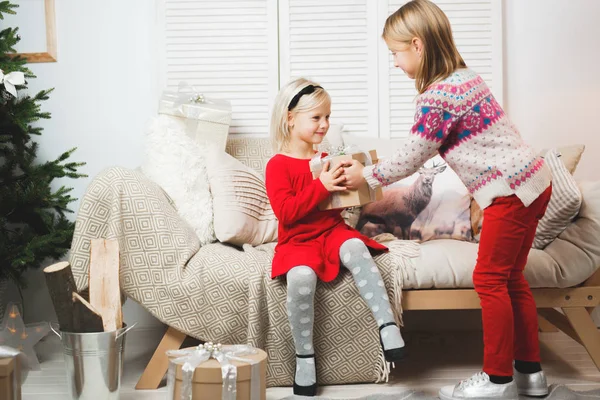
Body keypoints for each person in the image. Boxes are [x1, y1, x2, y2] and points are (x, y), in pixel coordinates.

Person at [342, 1, 552, 399]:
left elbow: (413, 155)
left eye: (396, 52)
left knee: (489, 279)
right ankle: (530, 375)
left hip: (509, 193)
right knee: (511, 280)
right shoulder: (465, 77)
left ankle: (497, 380)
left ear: (418, 46)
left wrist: (365, 175)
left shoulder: (438, 95)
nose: (394, 62)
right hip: (535, 183)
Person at [265, 78, 406, 397]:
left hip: (332, 232)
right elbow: (286, 213)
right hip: (298, 241)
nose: (325, 124)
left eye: (327, 117)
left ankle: (388, 327)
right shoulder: (277, 165)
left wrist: (355, 182)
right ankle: (304, 359)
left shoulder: (326, 158)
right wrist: (322, 185)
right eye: (316, 118)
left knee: (356, 246)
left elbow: (338, 205)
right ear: (290, 118)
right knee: (301, 278)